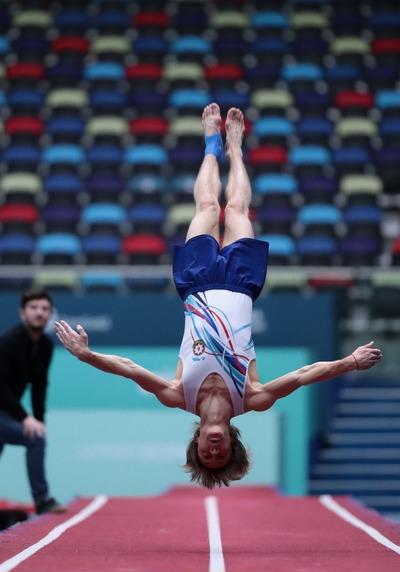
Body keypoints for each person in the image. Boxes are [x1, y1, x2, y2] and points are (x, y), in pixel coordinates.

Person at [54, 104, 383, 489]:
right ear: (232, 444)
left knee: (209, 206)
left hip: (197, 283)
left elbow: (128, 368)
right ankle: (236, 148)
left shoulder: (178, 395)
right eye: (220, 454)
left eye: (206, 454)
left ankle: (212, 144)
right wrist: (350, 362)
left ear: (195, 442)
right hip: (242, 285)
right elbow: (303, 375)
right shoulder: (253, 397)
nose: (213, 450)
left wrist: (87, 355)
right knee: (239, 207)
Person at [0, 288, 66, 514]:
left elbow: (40, 386)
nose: (40, 312)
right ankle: (42, 500)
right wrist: (25, 418)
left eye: (45, 309)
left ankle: (42, 500)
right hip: (4, 409)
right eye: (34, 308)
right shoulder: (7, 341)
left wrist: (38, 419)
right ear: (22, 313)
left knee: (37, 432)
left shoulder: (46, 346)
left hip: (6, 411)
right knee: (35, 438)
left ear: (50, 314)